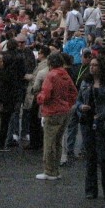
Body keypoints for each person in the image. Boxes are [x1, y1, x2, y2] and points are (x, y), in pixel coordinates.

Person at [77, 55, 105, 199]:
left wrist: (103, 114)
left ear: (101, 67)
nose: (92, 67)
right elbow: (78, 100)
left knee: (103, 157)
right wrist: (81, 106)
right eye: (91, 65)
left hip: (103, 123)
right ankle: (90, 190)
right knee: (90, 157)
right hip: (87, 122)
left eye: (95, 65)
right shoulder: (85, 82)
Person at [36, 52, 78, 180]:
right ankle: (56, 169)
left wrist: (39, 98)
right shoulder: (65, 74)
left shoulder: (51, 75)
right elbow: (74, 92)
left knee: (49, 142)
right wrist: (68, 104)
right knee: (58, 142)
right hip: (64, 111)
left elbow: (46, 94)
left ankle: (49, 171)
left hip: (52, 111)